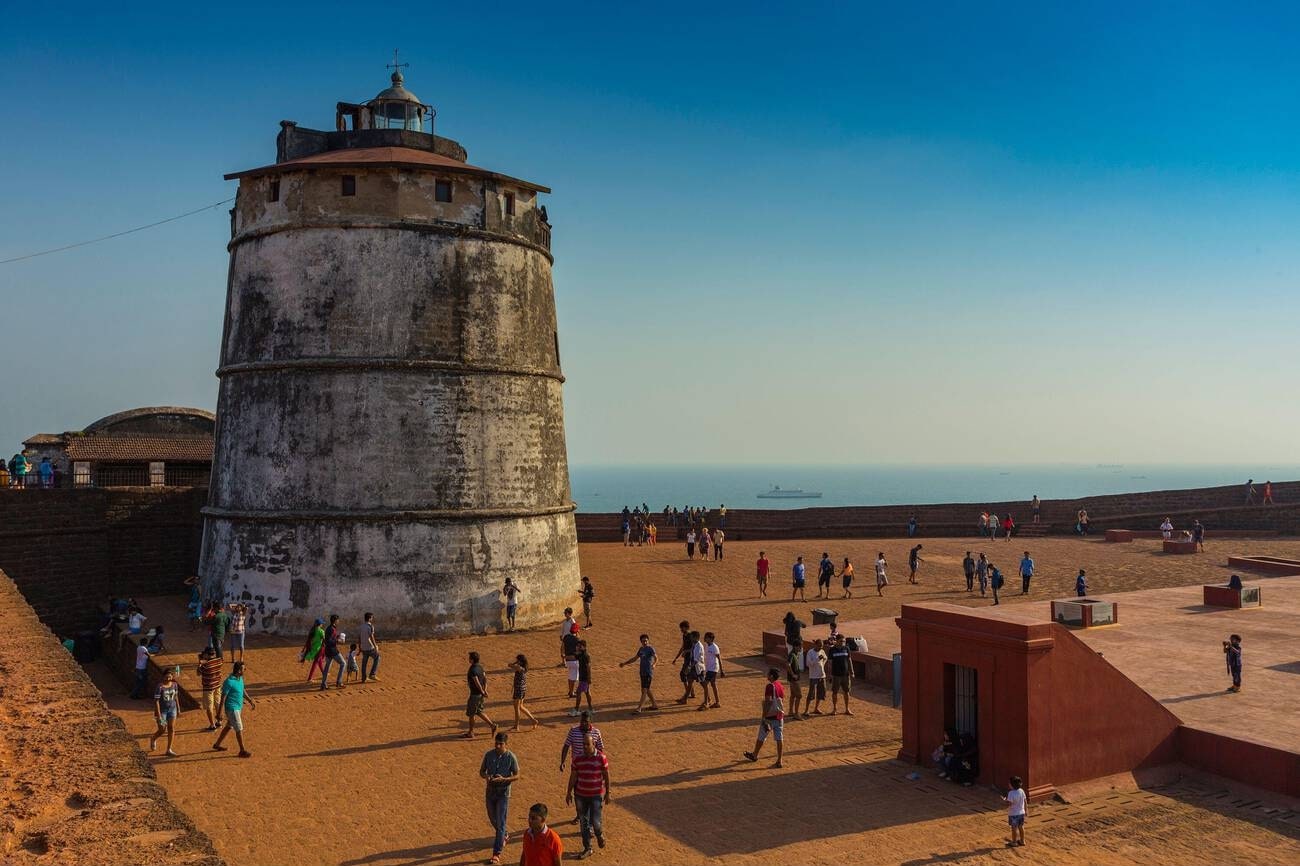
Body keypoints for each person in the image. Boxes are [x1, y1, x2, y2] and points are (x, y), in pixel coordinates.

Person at [566, 733, 611, 859]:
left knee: (596, 823)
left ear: (594, 744)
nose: (585, 747)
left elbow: (606, 775)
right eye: (583, 744)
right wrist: (568, 792)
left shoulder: (601, 758)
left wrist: (608, 793)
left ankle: (599, 834)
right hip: (580, 795)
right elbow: (573, 776)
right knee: (584, 823)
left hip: (596, 795)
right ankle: (587, 847)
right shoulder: (578, 759)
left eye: (587, 744)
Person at [480, 731, 520, 864]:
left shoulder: (511, 757)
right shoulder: (488, 755)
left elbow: (517, 775)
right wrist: (487, 776)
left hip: (503, 793)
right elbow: (481, 771)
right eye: (496, 743)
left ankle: (496, 853)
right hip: (490, 791)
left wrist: (505, 779)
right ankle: (504, 834)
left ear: (506, 744)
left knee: (501, 822)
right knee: (492, 818)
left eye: (500, 744)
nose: (497, 746)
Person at [743, 668, 786, 768]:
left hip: (770, 716)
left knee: (762, 735)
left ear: (771, 676)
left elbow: (768, 702)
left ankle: (755, 754)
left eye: (768, 674)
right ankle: (779, 760)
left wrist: (764, 716)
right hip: (779, 715)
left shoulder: (770, 686)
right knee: (779, 738)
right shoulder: (779, 685)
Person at [212, 660, 256, 758]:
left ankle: (217, 744)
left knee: (229, 726)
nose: (245, 670)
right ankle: (242, 750)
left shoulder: (239, 679)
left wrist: (249, 700)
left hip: (238, 707)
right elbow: (223, 697)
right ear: (239, 670)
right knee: (239, 728)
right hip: (232, 709)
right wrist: (219, 713)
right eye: (244, 668)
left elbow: (242, 690)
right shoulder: (229, 682)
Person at [619, 634, 659, 713]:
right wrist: (625, 663)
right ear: (640, 641)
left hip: (648, 672)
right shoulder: (641, 649)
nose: (645, 642)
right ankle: (654, 705)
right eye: (643, 641)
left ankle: (639, 708)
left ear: (648, 640)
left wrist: (654, 664)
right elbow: (634, 658)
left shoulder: (651, 648)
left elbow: (656, 658)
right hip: (642, 672)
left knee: (644, 690)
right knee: (646, 689)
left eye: (646, 640)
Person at [463, 650, 496, 738]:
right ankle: (492, 725)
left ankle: (471, 732)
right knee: (479, 711)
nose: (468, 659)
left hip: (475, 695)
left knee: (471, 714)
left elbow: (477, 682)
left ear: (472, 660)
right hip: (480, 695)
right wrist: (485, 690)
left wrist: (482, 691)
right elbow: (485, 679)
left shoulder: (472, 669)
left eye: (469, 658)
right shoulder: (480, 667)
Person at [149, 667, 181, 756]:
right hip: (162, 712)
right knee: (162, 729)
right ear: (163, 677)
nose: (168, 679)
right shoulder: (160, 687)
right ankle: (153, 738)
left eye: (169, 677)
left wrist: (178, 708)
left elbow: (176, 697)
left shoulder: (174, 685)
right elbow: (156, 701)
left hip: (172, 710)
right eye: (166, 677)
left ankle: (169, 749)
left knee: (171, 728)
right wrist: (158, 715)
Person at [506, 654, 539, 731]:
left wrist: (515, 662)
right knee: (521, 707)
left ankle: (516, 726)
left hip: (518, 689)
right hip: (522, 689)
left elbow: (509, 665)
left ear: (520, 661)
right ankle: (533, 720)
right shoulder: (524, 668)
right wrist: (517, 661)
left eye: (517, 660)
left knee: (517, 708)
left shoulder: (519, 668)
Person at [196, 645, 223, 731]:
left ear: (207, 654)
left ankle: (212, 725)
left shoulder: (206, 665)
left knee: (209, 707)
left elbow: (198, 673)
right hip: (217, 685)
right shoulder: (219, 661)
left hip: (208, 688)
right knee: (218, 704)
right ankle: (219, 721)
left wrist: (200, 663)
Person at [827, 633, 853, 715]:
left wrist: (852, 671)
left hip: (845, 674)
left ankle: (847, 708)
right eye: (841, 641)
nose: (843, 643)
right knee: (835, 692)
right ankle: (835, 708)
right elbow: (830, 663)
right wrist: (830, 674)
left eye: (844, 641)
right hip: (836, 675)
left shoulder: (846, 648)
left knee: (846, 691)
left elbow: (849, 660)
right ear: (837, 641)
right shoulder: (832, 650)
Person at [698, 631, 724, 710]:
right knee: (713, 685)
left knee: (705, 684)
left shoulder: (714, 647)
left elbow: (719, 658)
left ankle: (706, 703)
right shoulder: (707, 646)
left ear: (710, 639)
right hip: (709, 668)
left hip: (713, 669)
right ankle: (717, 702)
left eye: (706, 637)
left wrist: (722, 670)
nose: (704, 638)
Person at [319, 614, 345, 690]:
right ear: (335, 621)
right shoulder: (331, 629)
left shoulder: (330, 628)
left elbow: (329, 639)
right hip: (332, 650)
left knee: (327, 667)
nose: (338, 621)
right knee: (343, 663)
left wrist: (337, 637)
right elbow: (329, 641)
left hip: (328, 650)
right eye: (338, 620)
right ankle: (339, 682)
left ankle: (323, 684)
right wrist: (338, 640)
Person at [672, 620, 696, 704]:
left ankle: (687, 693)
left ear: (686, 627)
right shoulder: (684, 635)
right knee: (687, 676)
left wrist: (686, 652)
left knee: (683, 674)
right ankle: (691, 693)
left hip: (690, 659)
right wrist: (676, 657)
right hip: (686, 659)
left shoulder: (690, 636)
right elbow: (682, 647)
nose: (681, 630)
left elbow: (694, 648)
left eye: (682, 628)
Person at [571, 639, 594, 716]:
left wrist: (589, 678)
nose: (578, 647)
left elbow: (588, 667)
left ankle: (577, 710)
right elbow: (574, 656)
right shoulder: (581, 654)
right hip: (582, 677)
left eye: (579, 646)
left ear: (584, 647)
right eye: (578, 646)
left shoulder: (586, 656)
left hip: (585, 678)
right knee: (587, 693)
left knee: (578, 693)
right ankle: (591, 709)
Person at [804, 638, 827, 715]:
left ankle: (816, 708)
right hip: (813, 675)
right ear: (815, 645)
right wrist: (817, 659)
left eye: (822, 646)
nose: (821, 647)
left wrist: (823, 662)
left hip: (821, 675)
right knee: (811, 693)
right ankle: (806, 710)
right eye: (819, 646)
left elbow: (825, 658)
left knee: (820, 693)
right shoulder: (810, 652)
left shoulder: (822, 651)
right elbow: (808, 664)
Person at [1002, 775, 1027, 847]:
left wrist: (1005, 800)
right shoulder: (1021, 791)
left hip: (1013, 814)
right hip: (1021, 813)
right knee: (1021, 827)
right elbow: (1025, 801)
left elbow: (1009, 804)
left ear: (1012, 784)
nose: (1008, 784)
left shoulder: (1011, 793)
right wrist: (1026, 810)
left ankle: (1014, 842)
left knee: (1014, 829)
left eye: (1009, 783)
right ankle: (1022, 841)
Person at [784, 639, 804, 722]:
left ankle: (791, 711)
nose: (801, 648)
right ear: (796, 646)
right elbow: (787, 665)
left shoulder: (795, 654)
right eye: (800, 646)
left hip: (793, 678)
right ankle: (796, 713)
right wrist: (793, 674)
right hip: (794, 679)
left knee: (793, 695)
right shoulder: (792, 655)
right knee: (799, 695)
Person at [358, 611, 380, 682]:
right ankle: (372, 674)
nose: (372, 619)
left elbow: (359, 637)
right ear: (370, 618)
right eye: (372, 618)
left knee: (364, 662)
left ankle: (364, 678)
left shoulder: (361, 626)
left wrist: (360, 647)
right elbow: (371, 637)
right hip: (369, 647)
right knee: (377, 658)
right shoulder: (370, 626)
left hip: (363, 647)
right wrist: (375, 646)